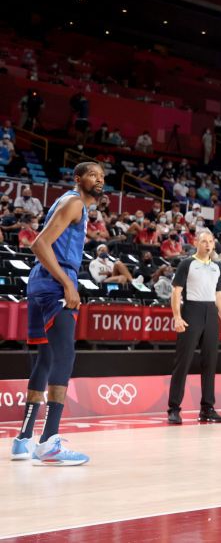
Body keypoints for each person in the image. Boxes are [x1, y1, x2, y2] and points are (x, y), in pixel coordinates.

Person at [11, 161, 104, 465]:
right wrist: (68, 284)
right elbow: (40, 244)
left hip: (40, 283)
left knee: (46, 358)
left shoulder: (67, 202)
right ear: (78, 179)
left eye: (102, 176)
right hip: (54, 283)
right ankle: (49, 441)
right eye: (93, 175)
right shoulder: (75, 203)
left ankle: (23, 438)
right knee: (64, 357)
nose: (99, 180)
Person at [167, 230, 221, 425]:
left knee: (210, 362)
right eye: (204, 241)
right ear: (196, 243)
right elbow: (176, 292)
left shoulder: (216, 267)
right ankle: (174, 408)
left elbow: (219, 294)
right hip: (191, 310)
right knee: (183, 361)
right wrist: (177, 317)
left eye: (211, 241)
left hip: (210, 312)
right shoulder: (187, 264)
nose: (208, 245)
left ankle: (207, 408)